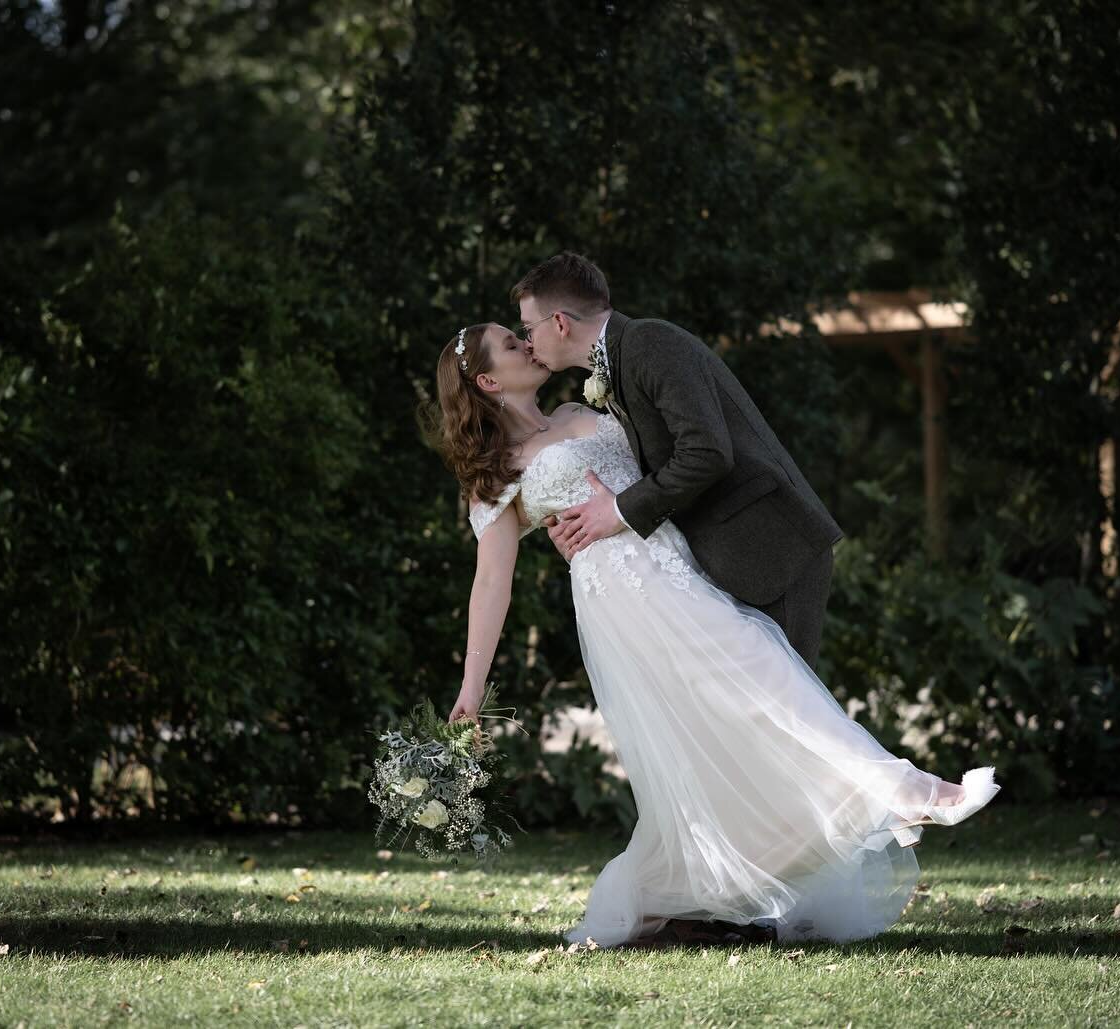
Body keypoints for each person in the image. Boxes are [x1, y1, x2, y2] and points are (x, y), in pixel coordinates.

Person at [428, 315, 1001, 949]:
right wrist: (471, 688)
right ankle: (912, 792)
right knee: (759, 687)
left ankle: (659, 891)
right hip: (625, 598)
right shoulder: (496, 471)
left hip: (684, 565)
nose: (527, 342)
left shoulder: (578, 406)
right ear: (485, 378)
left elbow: (662, 466)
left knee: (756, 700)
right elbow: (491, 584)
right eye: (512, 343)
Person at [510, 252, 841, 669]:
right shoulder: (617, 361)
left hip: (771, 549)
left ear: (559, 323)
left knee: (790, 717)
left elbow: (706, 452)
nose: (527, 343)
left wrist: (616, 511)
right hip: (726, 557)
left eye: (528, 329)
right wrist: (585, 528)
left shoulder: (650, 343)